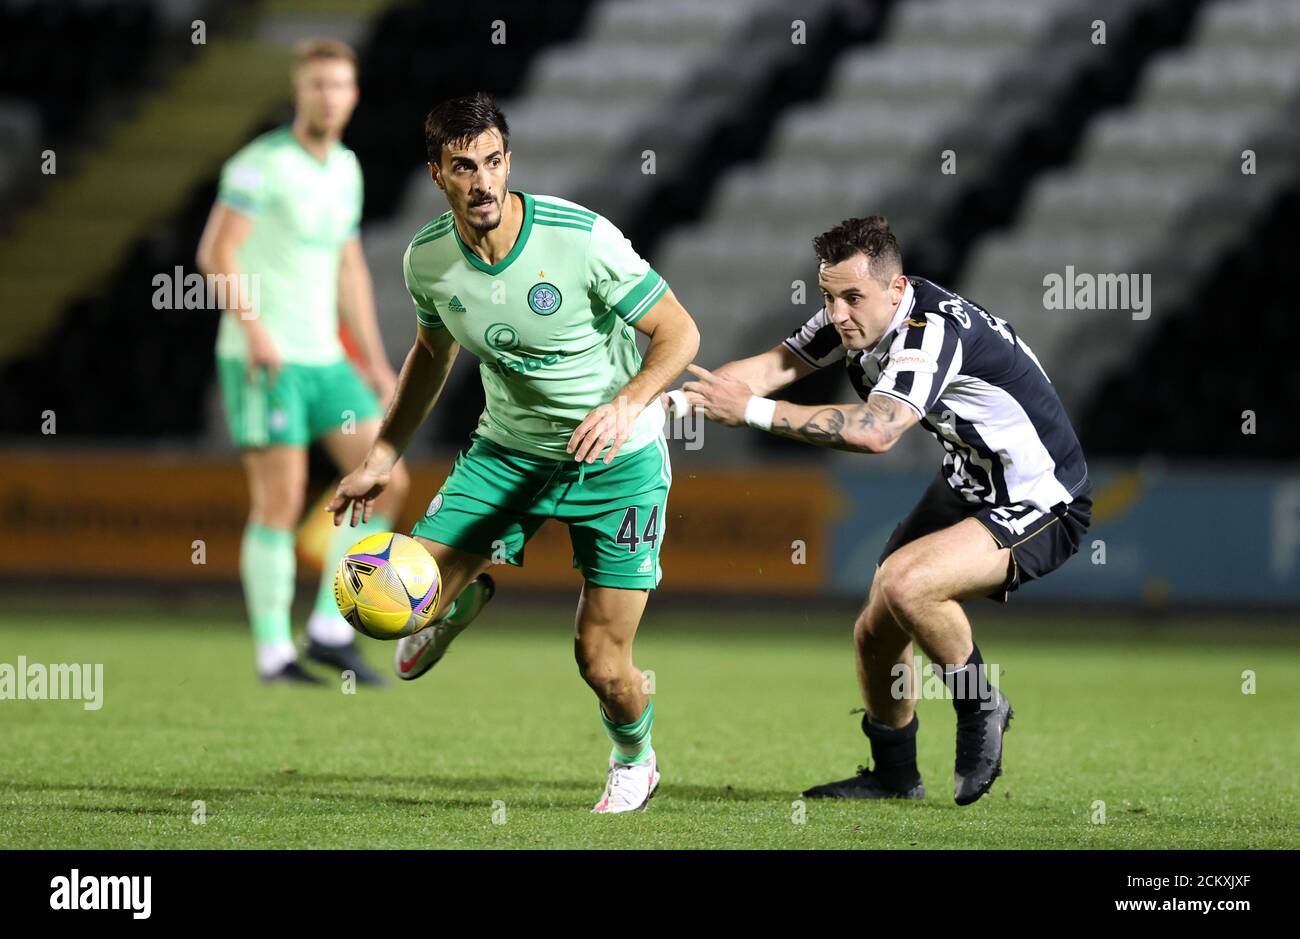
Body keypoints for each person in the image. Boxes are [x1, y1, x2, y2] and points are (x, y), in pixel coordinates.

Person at [327, 93, 700, 813]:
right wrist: (382, 452)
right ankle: (452, 600)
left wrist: (626, 405)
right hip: (508, 454)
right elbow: (429, 355)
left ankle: (635, 759)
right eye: (463, 167)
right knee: (391, 602)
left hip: (618, 462)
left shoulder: (581, 239)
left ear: (509, 162)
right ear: (437, 174)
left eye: (494, 162)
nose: (482, 182)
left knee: (601, 660)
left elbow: (680, 332)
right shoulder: (428, 260)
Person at [676, 215, 1090, 805]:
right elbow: (772, 369)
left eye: (852, 298)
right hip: (967, 483)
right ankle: (895, 775)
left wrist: (752, 413)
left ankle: (981, 704)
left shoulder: (930, 332)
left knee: (907, 584)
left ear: (896, 291)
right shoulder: (855, 314)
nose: (838, 313)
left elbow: (876, 432)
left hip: (1042, 497)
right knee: (875, 631)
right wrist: (662, 406)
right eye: (828, 296)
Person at [197, 39, 405, 685]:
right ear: (299, 91)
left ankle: (327, 627)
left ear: (353, 95)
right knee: (280, 502)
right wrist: (255, 329)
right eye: (317, 85)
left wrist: (373, 360)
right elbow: (216, 253)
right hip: (267, 358)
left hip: (326, 358)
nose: (327, 96)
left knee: (386, 481)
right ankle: (273, 653)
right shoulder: (259, 165)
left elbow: (348, 269)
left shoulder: (346, 168)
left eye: (338, 85)